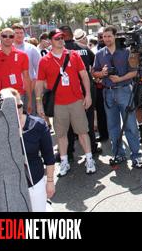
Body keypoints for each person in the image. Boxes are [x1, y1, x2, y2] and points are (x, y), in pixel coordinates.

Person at [35, 28, 96, 176]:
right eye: (57, 38)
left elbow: (84, 75)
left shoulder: (73, 55)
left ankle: (89, 159)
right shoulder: (44, 60)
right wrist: (38, 103)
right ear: (50, 41)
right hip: (57, 104)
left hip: (76, 101)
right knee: (61, 135)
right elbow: (39, 83)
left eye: (62, 38)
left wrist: (88, 95)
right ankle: (64, 162)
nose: (61, 40)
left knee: (83, 132)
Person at [93, 26, 142, 168]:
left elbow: (134, 72)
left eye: (109, 36)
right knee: (113, 126)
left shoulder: (126, 52)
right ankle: (118, 154)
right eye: (104, 36)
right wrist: (101, 73)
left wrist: (120, 79)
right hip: (108, 92)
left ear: (115, 36)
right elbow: (94, 73)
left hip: (124, 90)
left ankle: (136, 156)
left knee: (131, 125)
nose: (106, 39)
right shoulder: (99, 54)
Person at [0, 88, 56, 212]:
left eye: (19, 106)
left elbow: (49, 157)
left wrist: (50, 181)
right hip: (10, 186)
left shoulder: (38, 125)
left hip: (35, 182)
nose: (16, 110)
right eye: (11, 107)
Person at [0, 28, 32, 112]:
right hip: (0, 96)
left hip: (19, 95)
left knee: (20, 120)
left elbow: (26, 78)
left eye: (11, 36)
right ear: (0, 37)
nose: (7, 38)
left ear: (14, 38)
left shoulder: (22, 55)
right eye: (5, 36)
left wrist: (30, 100)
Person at [12, 23, 41, 114]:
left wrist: (34, 85)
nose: (19, 35)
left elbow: (39, 70)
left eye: (21, 33)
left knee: (31, 116)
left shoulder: (32, 49)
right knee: (17, 116)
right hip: (14, 90)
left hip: (31, 89)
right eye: (17, 33)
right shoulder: (8, 49)